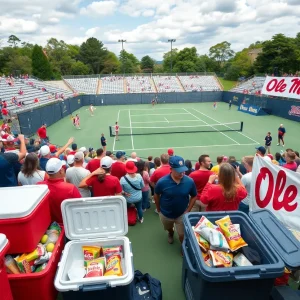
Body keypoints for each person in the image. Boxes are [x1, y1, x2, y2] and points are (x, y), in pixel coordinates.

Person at [154, 156, 197, 246]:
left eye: (183, 170)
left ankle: (183, 247)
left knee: (182, 235)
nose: (182, 173)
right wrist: (158, 210)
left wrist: (188, 210)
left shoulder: (189, 181)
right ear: (171, 169)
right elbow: (156, 195)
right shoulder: (162, 182)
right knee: (168, 228)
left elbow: (194, 196)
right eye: (179, 170)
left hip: (181, 214)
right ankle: (171, 233)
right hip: (165, 214)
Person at [37, 158, 81, 223]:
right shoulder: (70, 188)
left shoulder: (39, 186)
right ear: (61, 171)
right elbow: (79, 208)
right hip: (67, 225)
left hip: (46, 226)